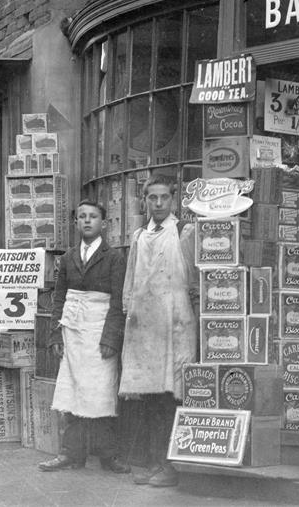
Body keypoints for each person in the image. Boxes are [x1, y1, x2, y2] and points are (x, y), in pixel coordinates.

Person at [38, 200, 130, 473]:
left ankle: (108, 456)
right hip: (73, 332)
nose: (87, 221)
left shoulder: (114, 258)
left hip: (100, 331)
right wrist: (56, 335)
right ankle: (71, 454)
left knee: (101, 393)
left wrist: (111, 338)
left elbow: (117, 303)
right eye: (82, 217)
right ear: (76, 223)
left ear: (103, 223)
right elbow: (59, 298)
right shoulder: (67, 258)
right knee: (73, 393)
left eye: (93, 217)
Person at [119, 175, 199, 487]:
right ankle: (154, 462)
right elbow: (130, 284)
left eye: (164, 197)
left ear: (174, 200)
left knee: (173, 397)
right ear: (144, 201)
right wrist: (131, 316)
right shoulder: (139, 236)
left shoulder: (184, 232)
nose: (159, 203)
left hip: (176, 325)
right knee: (151, 397)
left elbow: (194, 280)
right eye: (152, 198)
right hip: (146, 329)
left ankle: (172, 467)